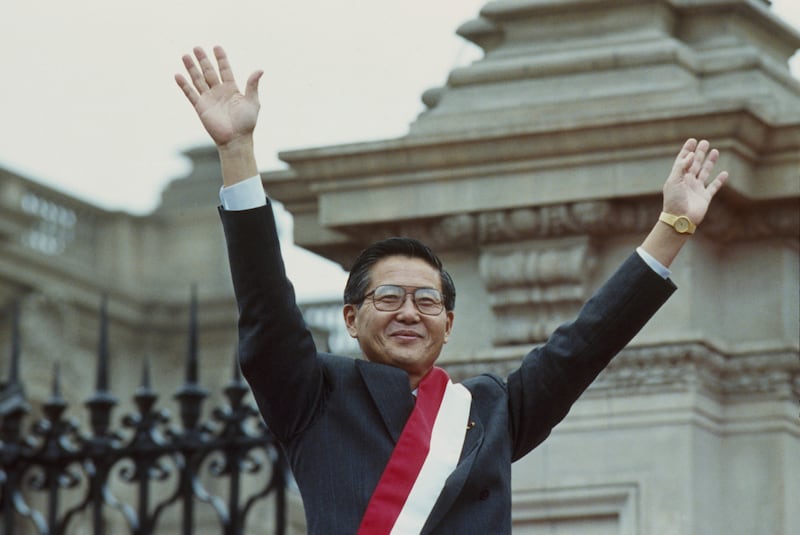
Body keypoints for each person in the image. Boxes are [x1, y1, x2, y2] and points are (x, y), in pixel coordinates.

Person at [175, 46, 728, 534]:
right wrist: (238, 153)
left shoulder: (492, 410)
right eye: (388, 298)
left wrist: (672, 226)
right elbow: (266, 307)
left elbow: (585, 345)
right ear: (350, 318)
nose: (409, 313)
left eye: (427, 301)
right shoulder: (314, 395)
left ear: (449, 323)